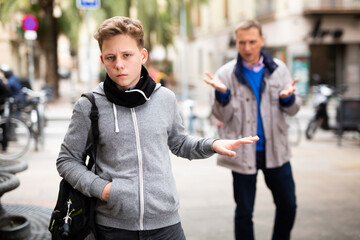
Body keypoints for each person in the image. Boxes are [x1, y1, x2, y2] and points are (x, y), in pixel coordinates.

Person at [56, 16, 259, 240]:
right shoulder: (89, 105)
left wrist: (213, 144)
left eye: (127, 55)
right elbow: (67, 160)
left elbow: (179, 142)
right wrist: (102, 189)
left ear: (142, 56)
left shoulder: (165, 98)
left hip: (166, 225)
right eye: (111, 57)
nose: (119, 64)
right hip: (113, 227)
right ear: (102, 60)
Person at [204, 19, 301, 240]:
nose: (247, 48)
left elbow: (294, 110)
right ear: (236, 43)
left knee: (289, 205)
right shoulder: (226, 74)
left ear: (262, 41)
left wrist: (288, 99)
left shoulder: (279, 70)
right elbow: (221, 116)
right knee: (244, 212)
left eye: (252, 42)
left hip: (276, 151)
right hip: (243, 152)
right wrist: (223, 96)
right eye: (241, 42)